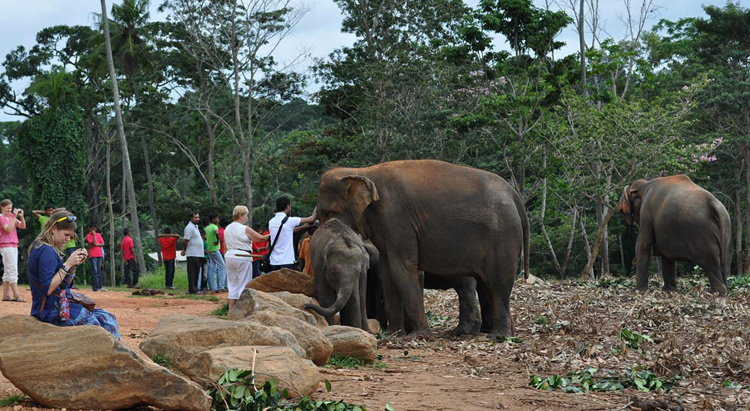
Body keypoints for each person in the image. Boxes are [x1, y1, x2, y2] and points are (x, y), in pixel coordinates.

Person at [27, 210, 120, 339]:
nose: (68, 239)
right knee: (96, 327)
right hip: (52, 309)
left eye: (70, 236)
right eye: (66, 235)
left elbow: (64, 284)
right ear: (54, 229)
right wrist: (67, 264)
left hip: (59, 304)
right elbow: (48, 289)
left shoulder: (46, 248)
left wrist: (73, 267)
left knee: (108, 319)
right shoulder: (46, 251)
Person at [225, 206, 269, 310]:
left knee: (232, 285)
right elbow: (260, 238)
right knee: (243, 285)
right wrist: (275, 233)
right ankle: (241, 311)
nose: (247, 218)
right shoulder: (244, 228)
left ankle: (231, 310)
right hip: (243, 256)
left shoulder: (228, 228)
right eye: (246, 215)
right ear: (240, 215)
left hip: (230, 256)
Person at [268, 197, 316, 271]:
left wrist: (303, 227)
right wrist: (317, 207)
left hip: (273, 263)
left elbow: (286, 231)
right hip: (287, 262)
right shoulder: (290, 221)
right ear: (288, 206)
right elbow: (312, 218)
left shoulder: (271, 222)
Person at [0, 199, 27, 302]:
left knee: (7, 271)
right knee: (12, 270)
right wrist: (14, 217)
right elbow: (8, 229)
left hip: (13, 245)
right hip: (6, 246)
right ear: (2, 207)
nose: (9, 210)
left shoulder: (11, 216)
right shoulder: (1, 218)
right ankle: (16, 295)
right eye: (7, 208)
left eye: (10, 208)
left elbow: (22, 226)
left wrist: (21, 216)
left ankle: (6, 295)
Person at [181, 211, 203, 294]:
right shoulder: (189, 227)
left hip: (197, 253)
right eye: (195, 217)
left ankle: (195, 288)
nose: (197, 219)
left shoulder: (195, 227)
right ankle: (192, 290)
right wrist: (184, 249)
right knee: (192, 272)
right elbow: (185, 240)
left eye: (198, 217)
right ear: (191, 218)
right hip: (192, 253)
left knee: (196, 271)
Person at [205, 213, 227, 292]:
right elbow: (217, 233)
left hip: (209, 249)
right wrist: (218, 240)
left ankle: (213, 287)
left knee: (212, 268)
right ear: (213, 219)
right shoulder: (214, 227)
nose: (218, 220)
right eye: (216, 218)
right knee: (222, 266)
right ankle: (221, 286)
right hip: (215, 249)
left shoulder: (207, 228)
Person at [85, 224, 106, 292]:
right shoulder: (88, 236)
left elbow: (103, 243)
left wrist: (97, 245)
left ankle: (100, 286)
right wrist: (94, 235)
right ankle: (95, 287)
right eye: (92, 229)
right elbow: (93, 243)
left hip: (99, 254)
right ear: (90, 229)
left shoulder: (99, 235)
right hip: (93, 255)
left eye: (95, 229)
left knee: (99, 271)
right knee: (95, 271)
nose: (94, 230)